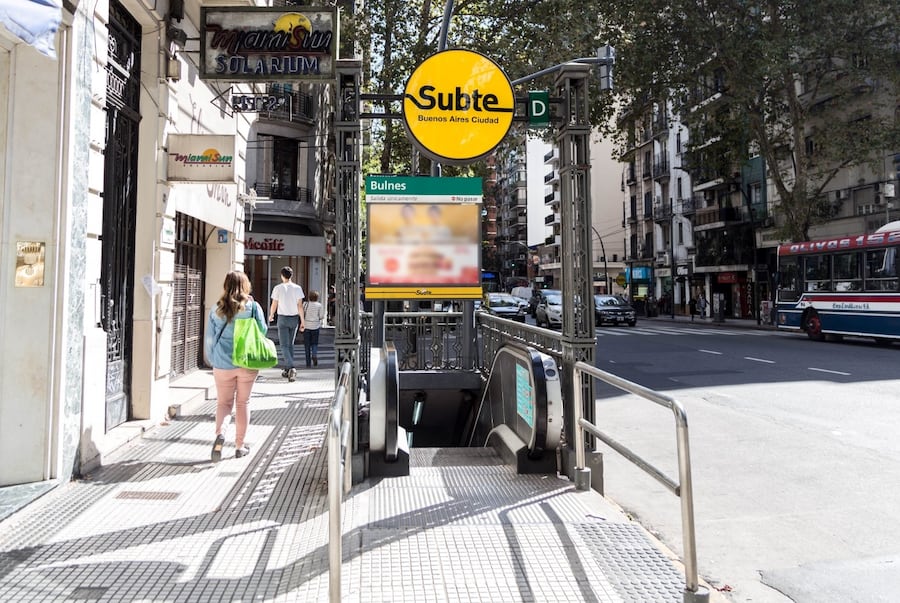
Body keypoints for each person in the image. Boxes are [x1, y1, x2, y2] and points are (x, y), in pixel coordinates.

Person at [205, 271, 267, 461]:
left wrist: (213, 360)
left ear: (226, 285)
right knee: (243, 403)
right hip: (247, 361)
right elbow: (263, 331)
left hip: (222, 363)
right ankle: (240, 445)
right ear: (246, 285)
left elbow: (209, 339)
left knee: (224, 403)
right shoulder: (253, 307)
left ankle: (220, 434)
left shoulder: (216, 309)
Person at [269, 266, 306, 382]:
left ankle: (291, 367)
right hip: (294, 318)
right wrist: (302, 321)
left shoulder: (278, 288)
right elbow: (300, 306)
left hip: (282, 318)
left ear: (282, 276)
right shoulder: (297, 288)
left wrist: (271, 315)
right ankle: (287, 370)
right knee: (290, 345)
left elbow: (274, 303)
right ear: (291, 276)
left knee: (284, 345)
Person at [302, 290, 325, 367]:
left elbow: (302, 314)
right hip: (315, 326)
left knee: (307, 345)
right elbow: (321, 316)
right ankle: (314, 354)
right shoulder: (319, 305)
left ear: (309, 297)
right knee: (314, 343)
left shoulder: (305, 304)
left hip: (306, 326)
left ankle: (308, 363)